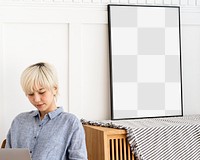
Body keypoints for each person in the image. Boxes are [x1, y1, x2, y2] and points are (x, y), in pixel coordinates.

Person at [5, 62, 88, 160]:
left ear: (55, 89)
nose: (36, 99)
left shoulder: (71, 123)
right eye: (30, 94)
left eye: (41, 92)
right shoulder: (19, 121)